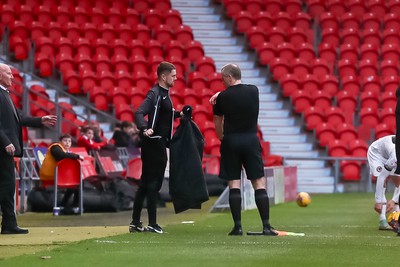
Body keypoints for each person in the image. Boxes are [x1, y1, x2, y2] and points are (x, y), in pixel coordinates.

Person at [210, 63, 277, 236]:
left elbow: (217, 121)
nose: (222, 82)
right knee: (258, 182)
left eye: (223, 78)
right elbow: (239, 92)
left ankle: (238, 227)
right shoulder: (253, 91)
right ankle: (266, 226)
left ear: (229, 77)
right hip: (250, 140)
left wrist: (221, 136)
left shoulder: (221, 98)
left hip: (231, 141)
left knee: (234, 183)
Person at [0, 63, 57, 234]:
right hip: (3, 148)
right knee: (6, 185)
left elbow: (20, 117)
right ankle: (9, 223)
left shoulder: (5, 94)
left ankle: (9, 223)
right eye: (9, 73)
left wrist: (40, 120)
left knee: (8, 186)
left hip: (6, 149)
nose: (12, 77)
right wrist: (4, 141)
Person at [129, 62, 183, 234]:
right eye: (173, 75)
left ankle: (135, 223)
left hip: (156, 143)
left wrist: (180, 114)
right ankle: (152, 223)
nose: (176, 78)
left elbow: (164, 116)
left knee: (145, 184)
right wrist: (145, 127)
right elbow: (139, 112)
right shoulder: (155, 93)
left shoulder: (164, 94)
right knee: (153, 183)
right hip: (154, 144)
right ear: (163, 76)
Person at [39, 134, 84, 214]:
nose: (67, 143)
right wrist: (77, 156)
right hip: (50, 176)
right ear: (60, 142)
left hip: (59, 176)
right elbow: (61, 156)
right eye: (65, 140)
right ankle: (68, 206)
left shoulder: (67, 152)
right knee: (76, 183)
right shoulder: (55, 147)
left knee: (78, 182)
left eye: (69, 141)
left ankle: (72, 206)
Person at [367, 135, 400, 230]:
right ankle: (382, 220)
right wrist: (378, 201)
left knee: (398, 182)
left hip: (390, 154)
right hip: (377, 154)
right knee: (384, 179)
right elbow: (382, 177)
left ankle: (396, 217)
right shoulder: (395, 157)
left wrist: (394, 200)